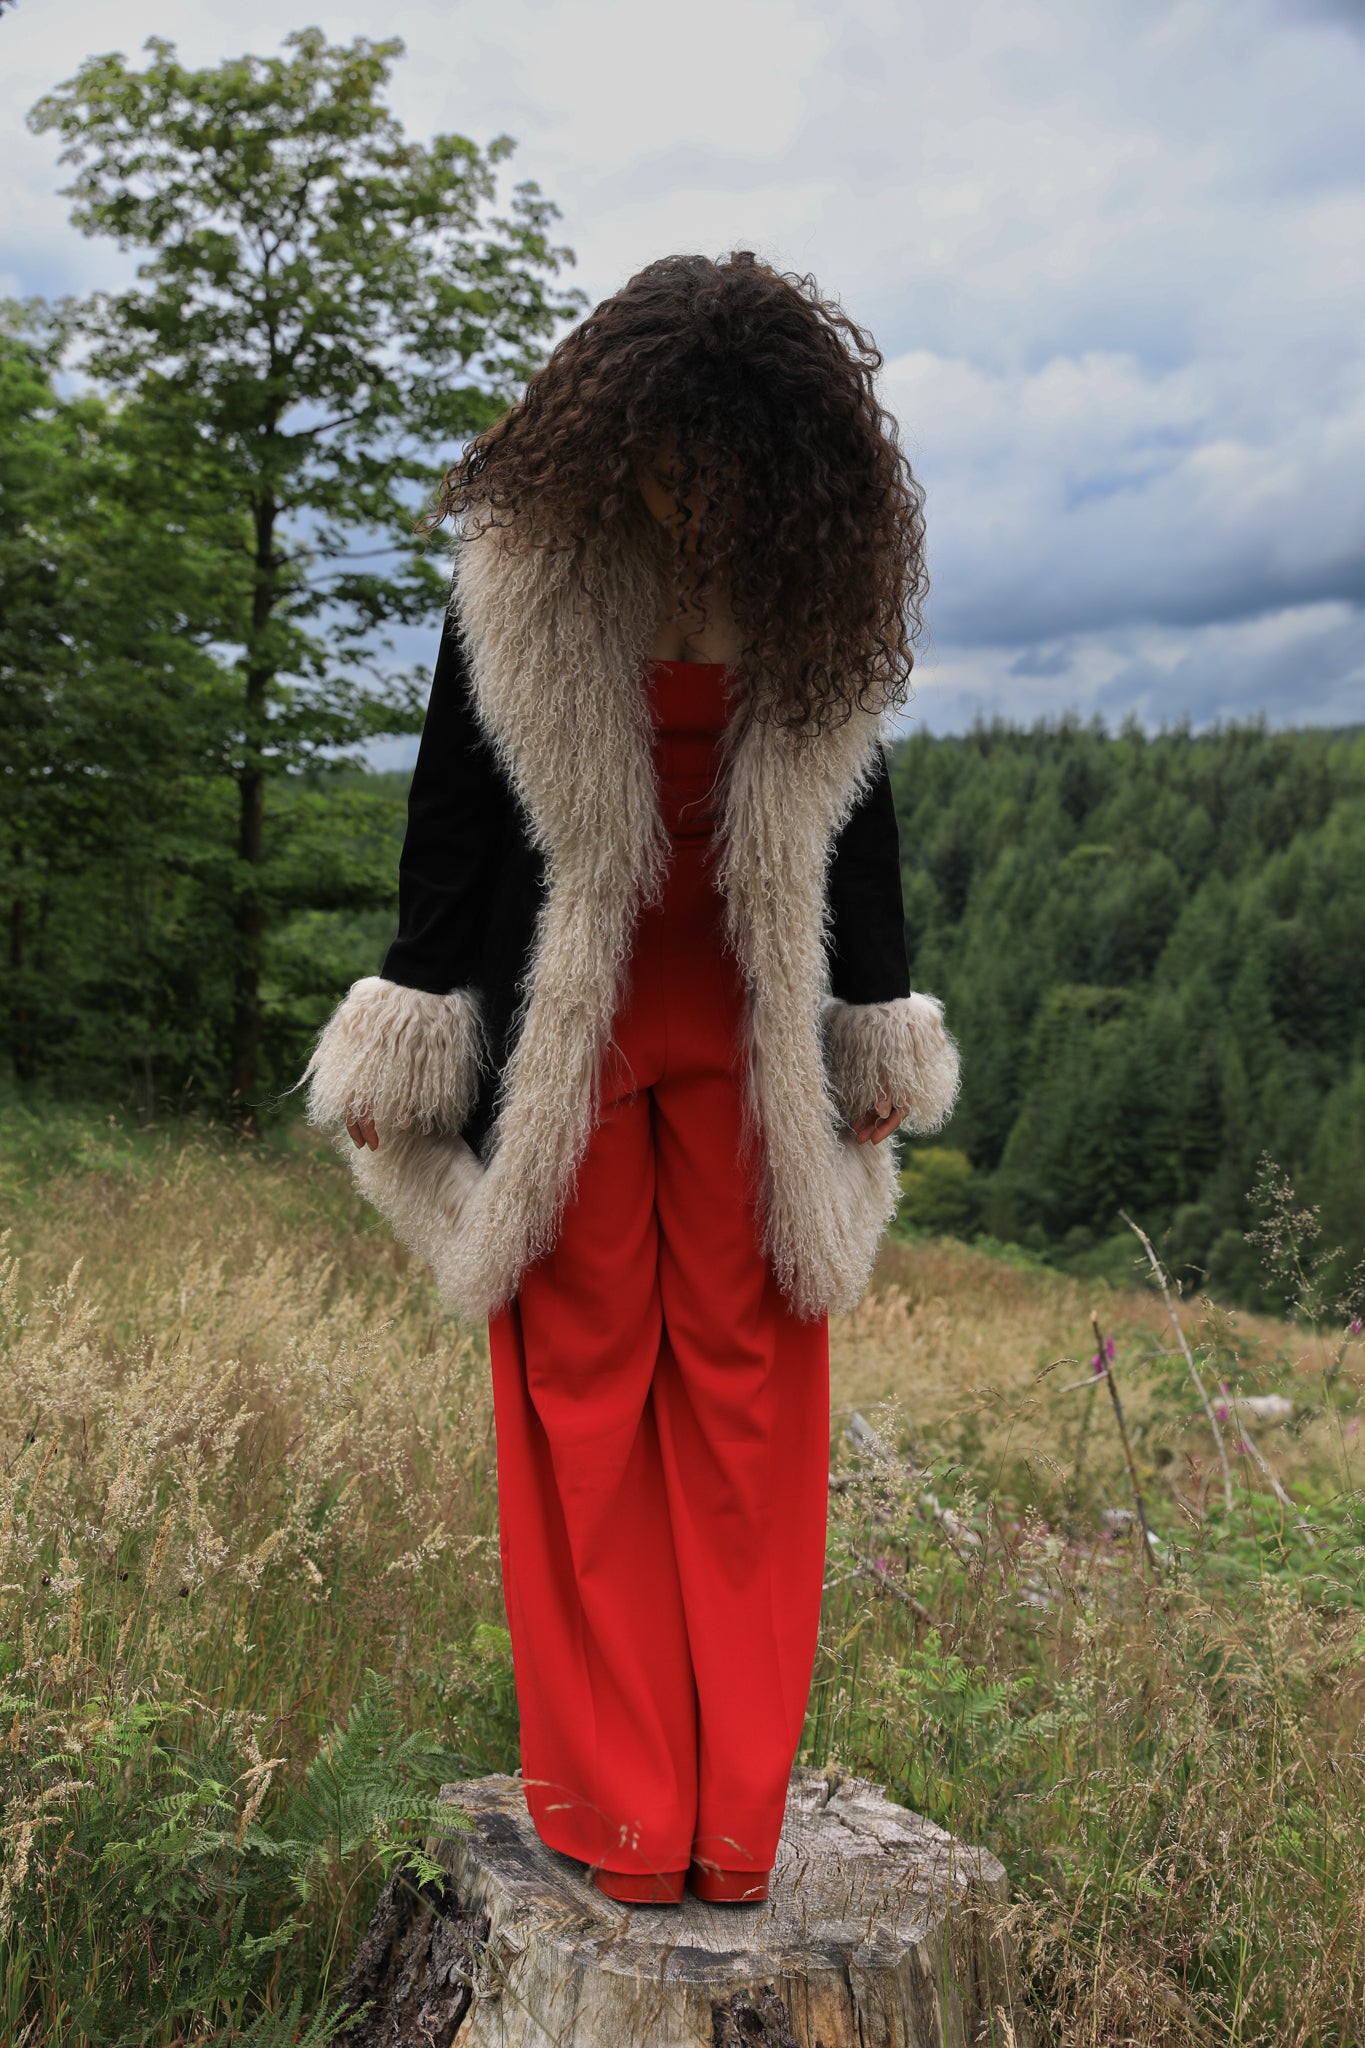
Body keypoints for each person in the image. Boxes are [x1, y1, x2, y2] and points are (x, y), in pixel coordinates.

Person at [306, 250, 960, 1908]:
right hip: (563, 1044)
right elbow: (451, 824)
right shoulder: (519, 579)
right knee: (580, 1396)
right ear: (607, 437)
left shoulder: (814, 589)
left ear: (783, 455)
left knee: (750, 1412)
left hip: (751, 1047)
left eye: (723, 459)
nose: (692, 491)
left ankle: (730, 1827)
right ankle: (615, 1811)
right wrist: (405, 1030)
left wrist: (875, 1033)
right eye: (668, 454)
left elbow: (853, 833)